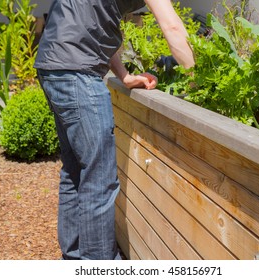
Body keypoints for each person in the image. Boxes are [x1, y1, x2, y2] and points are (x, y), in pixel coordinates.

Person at [35, 0, 195, 260]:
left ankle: (75, 257)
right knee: (99, 178)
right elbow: (173, 27)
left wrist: (123, 75)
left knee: (75, 170)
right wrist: (199, 80)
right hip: (78, 73)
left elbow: (91, 24)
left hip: (53, 67)